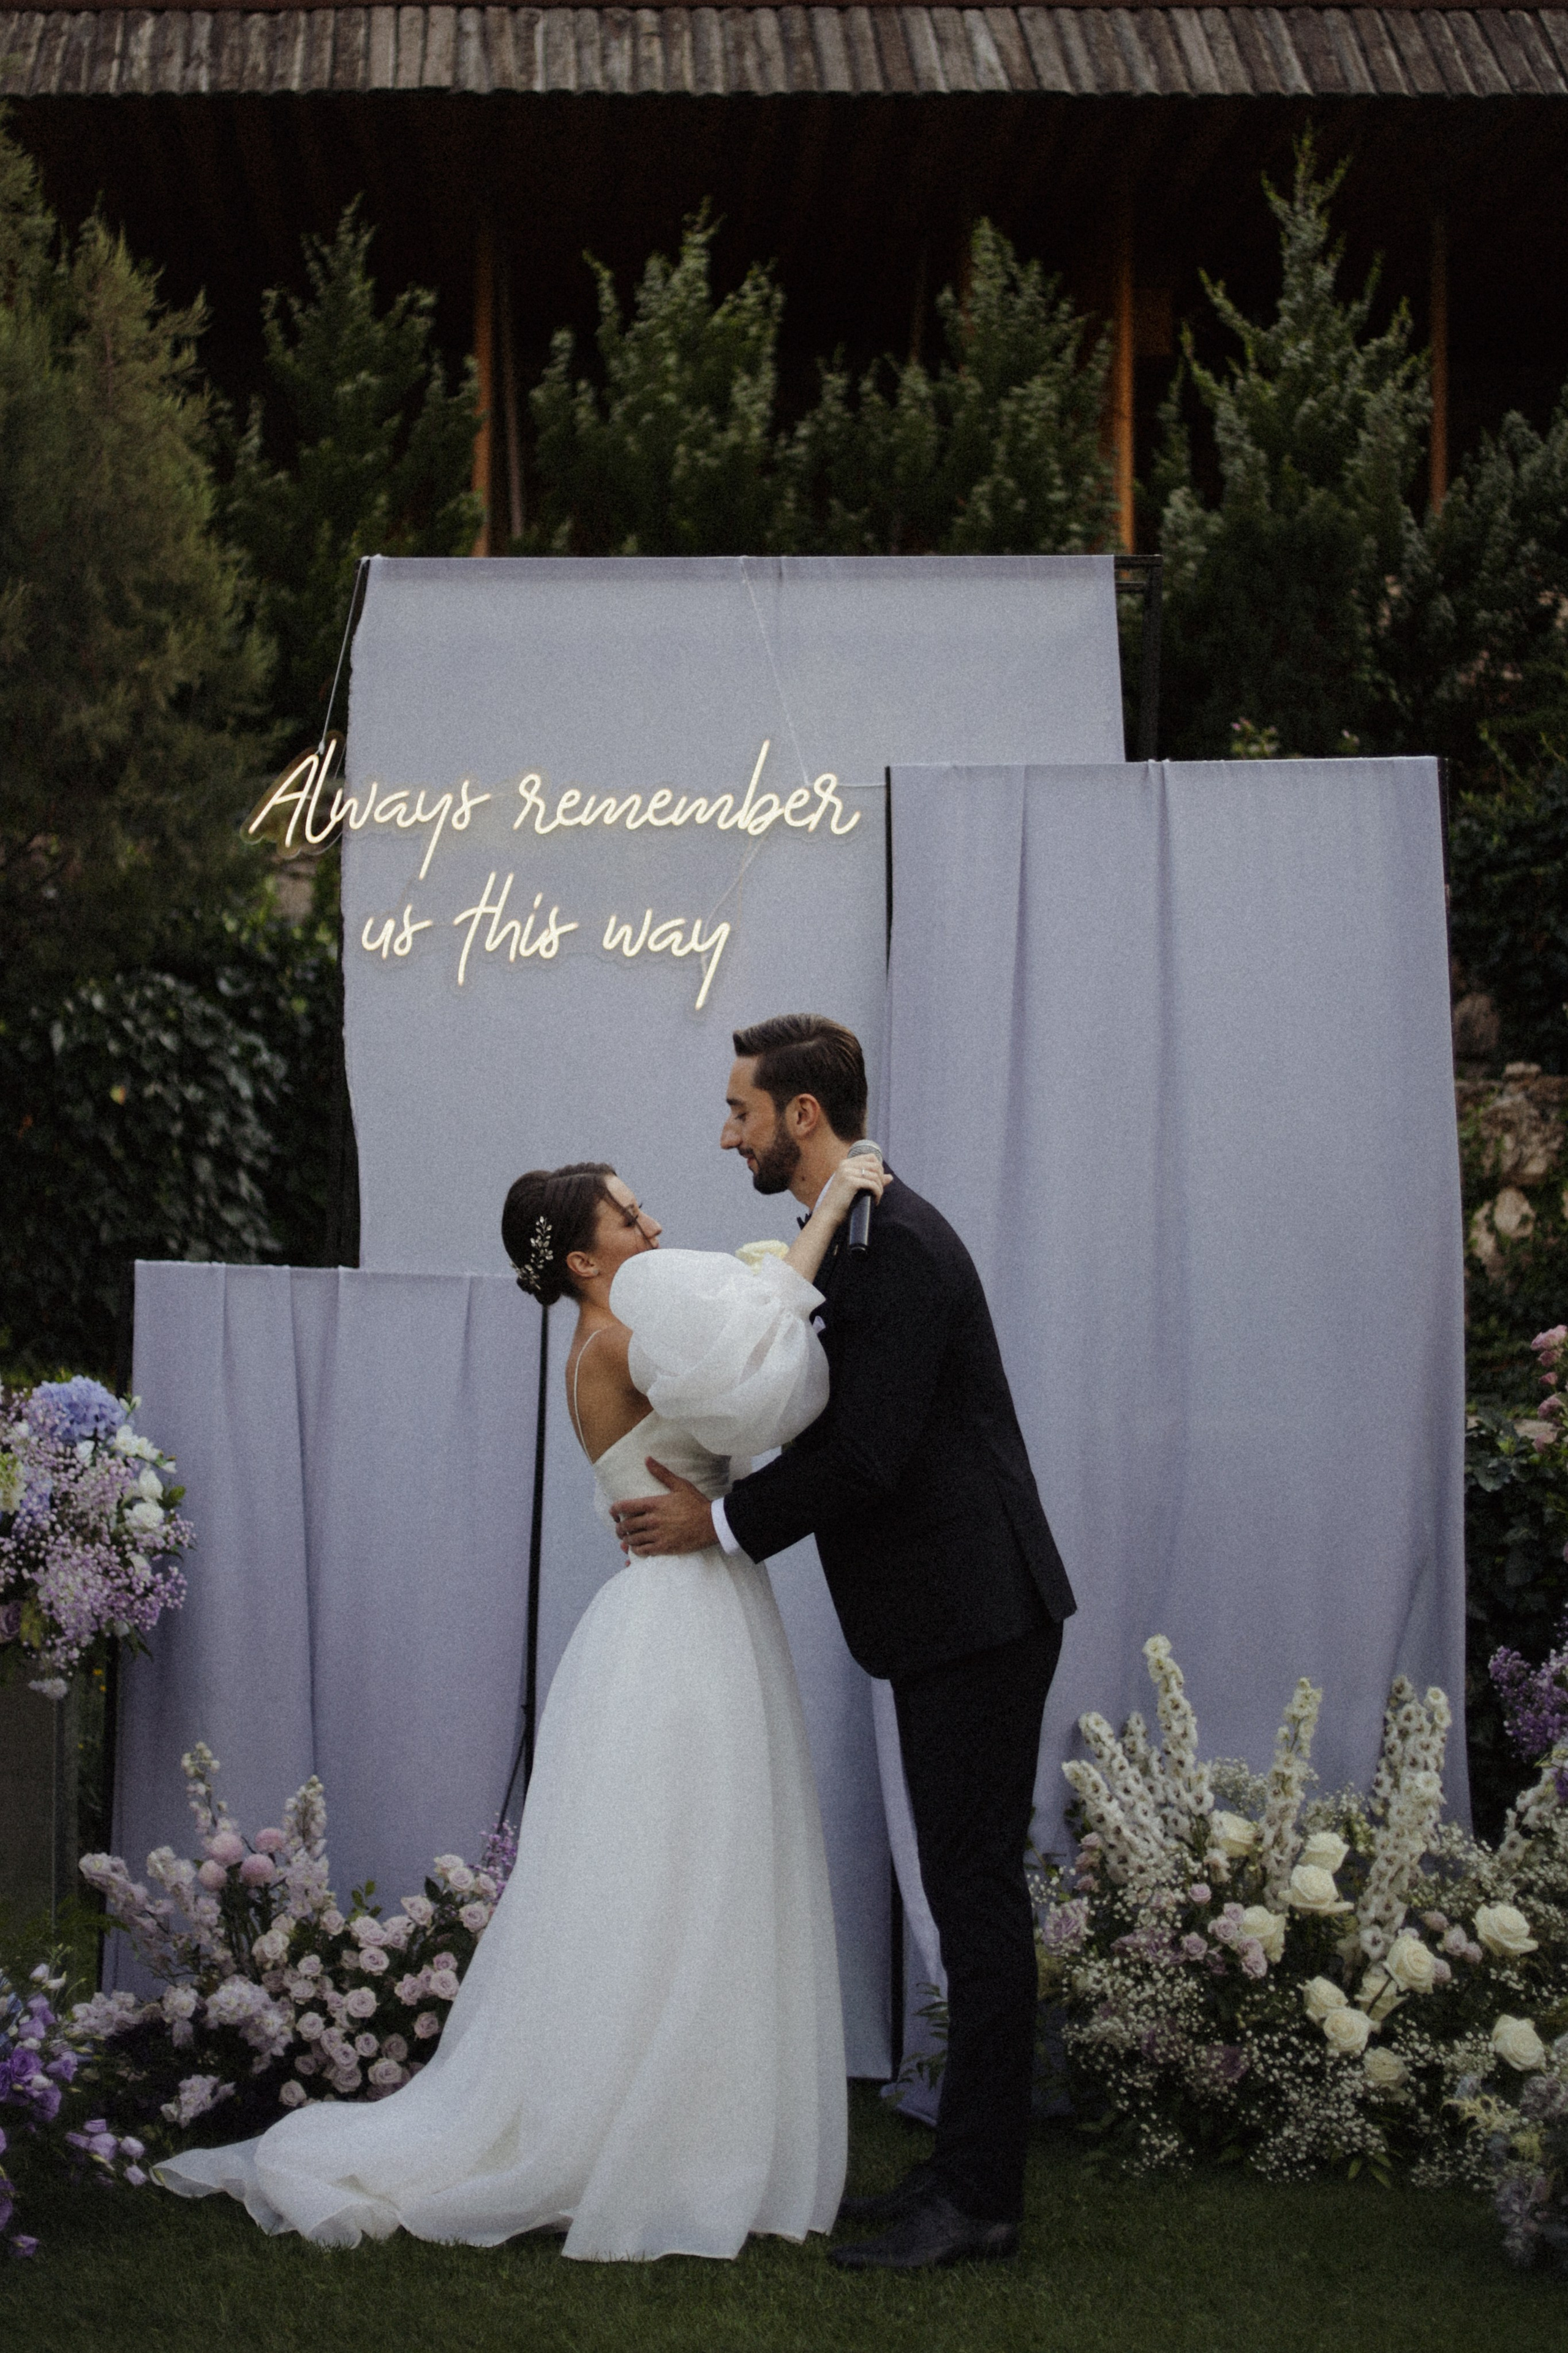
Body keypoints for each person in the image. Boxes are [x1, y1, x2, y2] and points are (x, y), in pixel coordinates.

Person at [155, 1153, 883, 2262]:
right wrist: (824, 1216)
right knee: (685, 1871)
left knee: (700, 1870)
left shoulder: (613, 1334)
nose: (652, 1220)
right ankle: (651, 2136)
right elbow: (747, 1380)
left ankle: (686, 2121)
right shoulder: (622, 1341)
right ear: (586, 1259)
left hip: (693, 1610)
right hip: (680, 1626)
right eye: (628, 1217)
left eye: (642, 1206)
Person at [610, 1015, 1076, 2273]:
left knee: (973, 1897)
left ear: (800, 1114)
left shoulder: (899, 1246)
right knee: (963, 1888)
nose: (726, 1132)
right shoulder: (855, 1233)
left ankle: (978, 2197)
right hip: (949, 1614)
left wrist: (716, 1518)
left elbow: (865, 1456)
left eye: (739, 1111)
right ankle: (957, 2168)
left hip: (978, 1612)